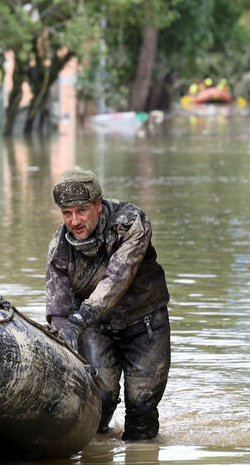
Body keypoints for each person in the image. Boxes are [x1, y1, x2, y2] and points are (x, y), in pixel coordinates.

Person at [45, 168, 170, 442]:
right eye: (67, 213)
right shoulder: (59, 248)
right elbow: (58, 308)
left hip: (145, 323)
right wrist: (63, 340)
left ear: (98, 206)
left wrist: (78, 320)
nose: (74, 221)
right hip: (96, 327)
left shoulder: (131, 222)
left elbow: (116, 279)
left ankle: (142, 462)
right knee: (97, 402)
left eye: (81, 211)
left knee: (142, 411)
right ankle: (96, 458)